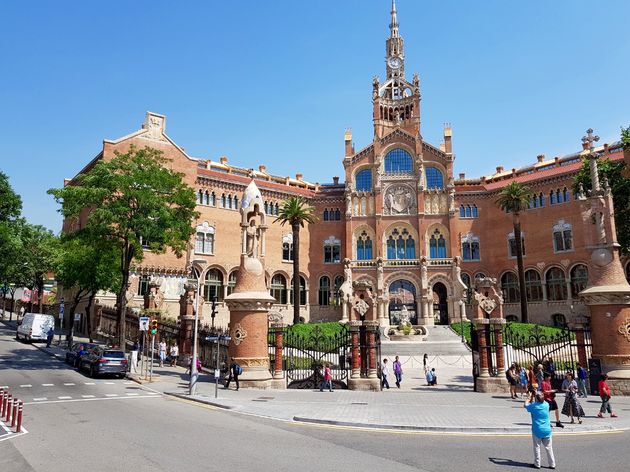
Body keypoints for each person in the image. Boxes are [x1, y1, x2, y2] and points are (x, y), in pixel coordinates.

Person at [525, 391, 556, 470]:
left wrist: (529, 397)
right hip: (547, 429)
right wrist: (538, 395)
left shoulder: (534, 406)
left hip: (537, 429)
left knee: (537, 447)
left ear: (536, 398)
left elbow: (525, 405)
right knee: (549, 447)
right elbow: (541, 399)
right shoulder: (546, 405)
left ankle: (537, 464)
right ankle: (552, 464)